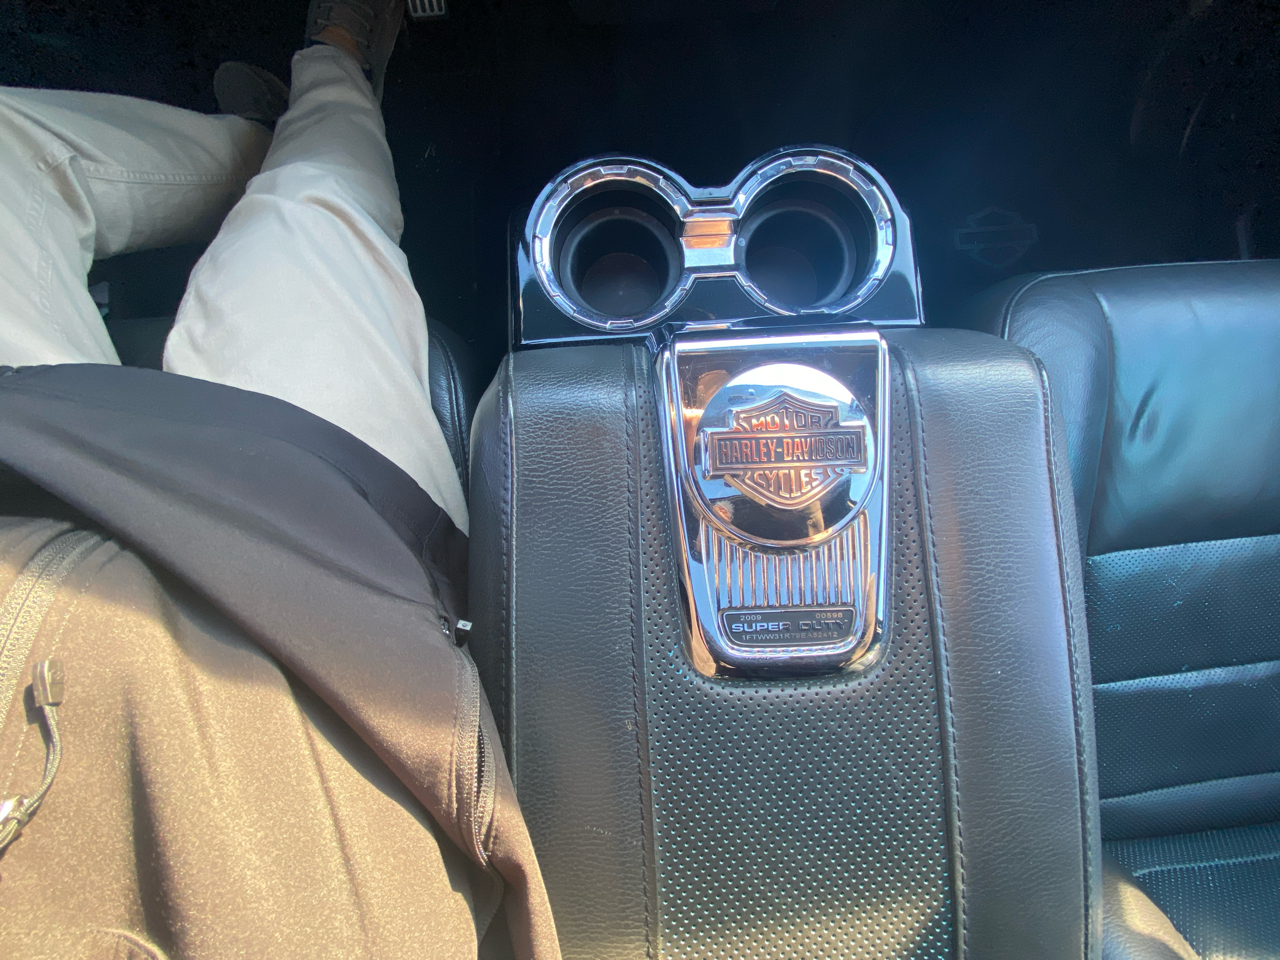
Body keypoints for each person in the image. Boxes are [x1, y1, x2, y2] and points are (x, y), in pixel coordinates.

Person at [0, 2, 558, 957]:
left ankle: (293, 131)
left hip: (27, 459)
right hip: (300, 570)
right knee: (314, 201)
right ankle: (330, 76)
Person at [0, 0, 467, 534]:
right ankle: (334, 70)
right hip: (295, 539)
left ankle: (280, 132)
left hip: (32, 470)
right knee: (308, 195)